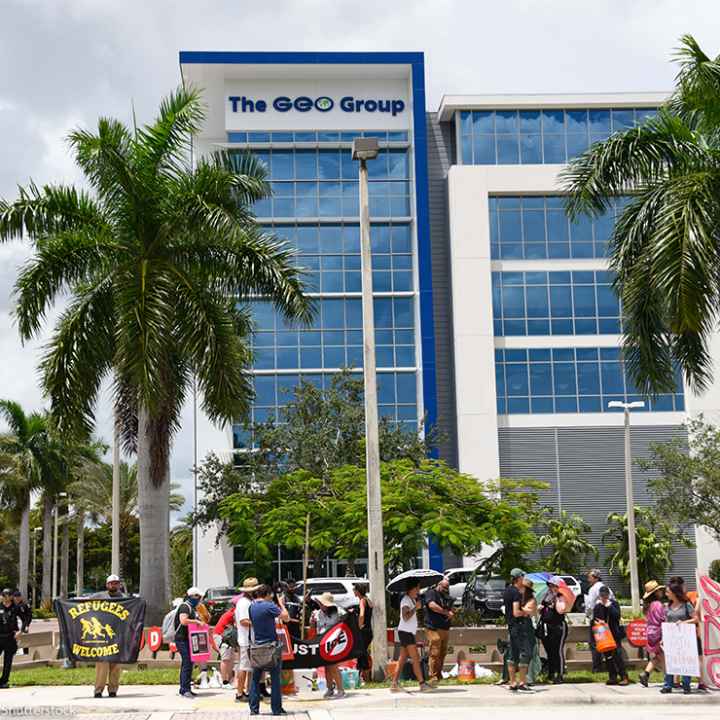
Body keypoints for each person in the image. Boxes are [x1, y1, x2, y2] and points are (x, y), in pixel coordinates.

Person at [248, 584, 289, 717]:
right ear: (267, 594)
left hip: (257, 646)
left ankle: (254, 709)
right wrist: (281, 604)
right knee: (275, 678)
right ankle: (276, 709)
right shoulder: (269, 605)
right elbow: (286, 617)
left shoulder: (252, 606)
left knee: (255, 678)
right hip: (271, 646)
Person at [390, 581, 432, 693]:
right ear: (410, 589)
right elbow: (405, 617)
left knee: (402, 659)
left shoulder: (412, 600)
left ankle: (394, 684)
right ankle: (422, 683)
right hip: (405, 632)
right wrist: (415, 608)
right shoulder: (405, 600)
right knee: (416, 658)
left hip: (407, 632)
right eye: (417, 588)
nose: (418, 591)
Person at [91, 574, 126, 698]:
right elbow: (83, 603)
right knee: (102, 663)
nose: (114, 585)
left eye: (116, 583)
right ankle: (98, 690)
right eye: (112, 583)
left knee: (116, 664)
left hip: (118, 634)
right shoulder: (99, 596)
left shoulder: (124, 598)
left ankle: (113, 690)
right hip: (102, 636)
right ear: (107, 585)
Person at [660, 580, 696, 695]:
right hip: (671, 639)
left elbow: (695, 619)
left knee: (684, 661)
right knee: (670, 660)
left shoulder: (687, 605)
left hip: (684, 638)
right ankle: (667, 685)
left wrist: (684, 622)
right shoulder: (668, 606)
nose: (666, 594)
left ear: (675, 593)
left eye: (668, 592)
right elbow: (666, 621)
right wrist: (663, 637)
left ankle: (686, 685)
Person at [310, 592, 347, 699]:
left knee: (334, 666)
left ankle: (340, 689)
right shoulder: (317, 613)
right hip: (322, 642)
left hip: (334, 643)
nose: (322, 606)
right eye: (321, 603)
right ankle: (330, 688)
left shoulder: (338, 612)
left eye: (324, 604)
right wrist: (312, 621)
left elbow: (345, 623)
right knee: (326, 666)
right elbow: (313, 627)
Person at [503, 568, 533, 692]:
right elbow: (516, 612)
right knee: (526, 654)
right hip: (519, 626)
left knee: (513, 654)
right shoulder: (515, 592)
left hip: (511, 626)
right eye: (523, 577)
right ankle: (522, 682)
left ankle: (512, 682)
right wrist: (525, 612)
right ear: (519, 578)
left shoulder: (507, 591)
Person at [592, 586, 628, 686]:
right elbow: (595, 619)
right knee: (608, 657)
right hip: (604, 635)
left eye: (605, 595)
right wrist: (600, 622)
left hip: (614, 634)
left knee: (617, 656)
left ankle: (624, 676)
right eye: (602, 596)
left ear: (608, 595)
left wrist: (609, 606)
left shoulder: (613, 604)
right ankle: (612, 676)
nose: (603, 598)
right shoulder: (598, 606)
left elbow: (617, 616)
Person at [423, 577, 454, 687]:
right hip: (433, 627)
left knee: (442, 652)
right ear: (439, 584)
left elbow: (449, 608)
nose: (446, 589)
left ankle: (439, 674)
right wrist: (445, 612)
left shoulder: (446, 596)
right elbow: (432, 606)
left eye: (447, 587)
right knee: (434, 651)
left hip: (445, 627)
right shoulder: (431, 593)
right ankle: (432, 675)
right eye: (444, 587)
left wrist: (451, 612)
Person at [538, 576, 569, 684]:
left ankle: (560, 674)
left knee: (557, 651)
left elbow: (561, 610)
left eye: (554, 586)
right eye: (550, 585)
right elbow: (541, 610)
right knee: (549, 651)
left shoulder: (560, 597)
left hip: (558, 627)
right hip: (547, 627)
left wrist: (556, 600)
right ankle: (551, 673)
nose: (551, 588)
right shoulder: (546, 596)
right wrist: (540, 608)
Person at [175, 586, 203, 698]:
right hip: (181, 639)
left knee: (189, 663)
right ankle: (184, 689)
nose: (199, 599)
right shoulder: (185, 607)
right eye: (198, 596)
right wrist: (195, 621)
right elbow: (183, 620)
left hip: (188, 638)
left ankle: (186, 688)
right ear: (193, 596)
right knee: (187, 663)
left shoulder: (192, 607)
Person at [235, 577, 259, 703]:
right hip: (246, 640)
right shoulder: (244, 603)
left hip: (251, 640)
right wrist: (258, 623)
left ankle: (249, 691)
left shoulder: (250, 601)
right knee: (243, 667)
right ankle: (239, 693)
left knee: (250, 668)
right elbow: (243, 621)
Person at [585, 569, 614, 672]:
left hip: (596, 618)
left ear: (595, 577)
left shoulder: (593, 589)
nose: (588, 579)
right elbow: (613, 600)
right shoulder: (607, 588)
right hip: (607, 618)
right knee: (606, 641)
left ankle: (597, 667)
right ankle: (609, 665)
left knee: (594, 643)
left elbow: (590, 606)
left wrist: (588, 616)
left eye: (590, 577)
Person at [639, 580, 666, 687]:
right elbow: (662, 619)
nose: (661, 592)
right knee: (663, 656)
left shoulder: (648, 606)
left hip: (650, 632)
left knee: (658, 656)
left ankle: (645, 674)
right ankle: (669, 678)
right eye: (659, 590)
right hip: (658, 632)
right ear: (655, 593)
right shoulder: (658, 604)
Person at [0, 588, 21, 688]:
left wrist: (20, 631)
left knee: (7, 661)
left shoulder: (16, 608)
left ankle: (4, 681)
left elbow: (26, 618)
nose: (4, 597)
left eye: (6, 595)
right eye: (3, 595)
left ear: (11, 596)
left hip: (10, 637)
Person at [213, 605, 237, 689]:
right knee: (225, 659)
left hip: (227, 636)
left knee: (230, 659)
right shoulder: (233, 613)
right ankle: (224, 682)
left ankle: (229, 680)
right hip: (222, 636)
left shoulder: (232, 612)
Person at [354, 583, 373, 682]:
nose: (353, 591)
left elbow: (362, 615)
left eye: (354, 589)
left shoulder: (362, 601)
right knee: (363, 652)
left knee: (361, 653)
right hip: (369, 630)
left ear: (358, 591)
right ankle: (365, 677)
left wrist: (359, 626)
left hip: (363, 631)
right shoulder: (368, 600)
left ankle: (365, 678)